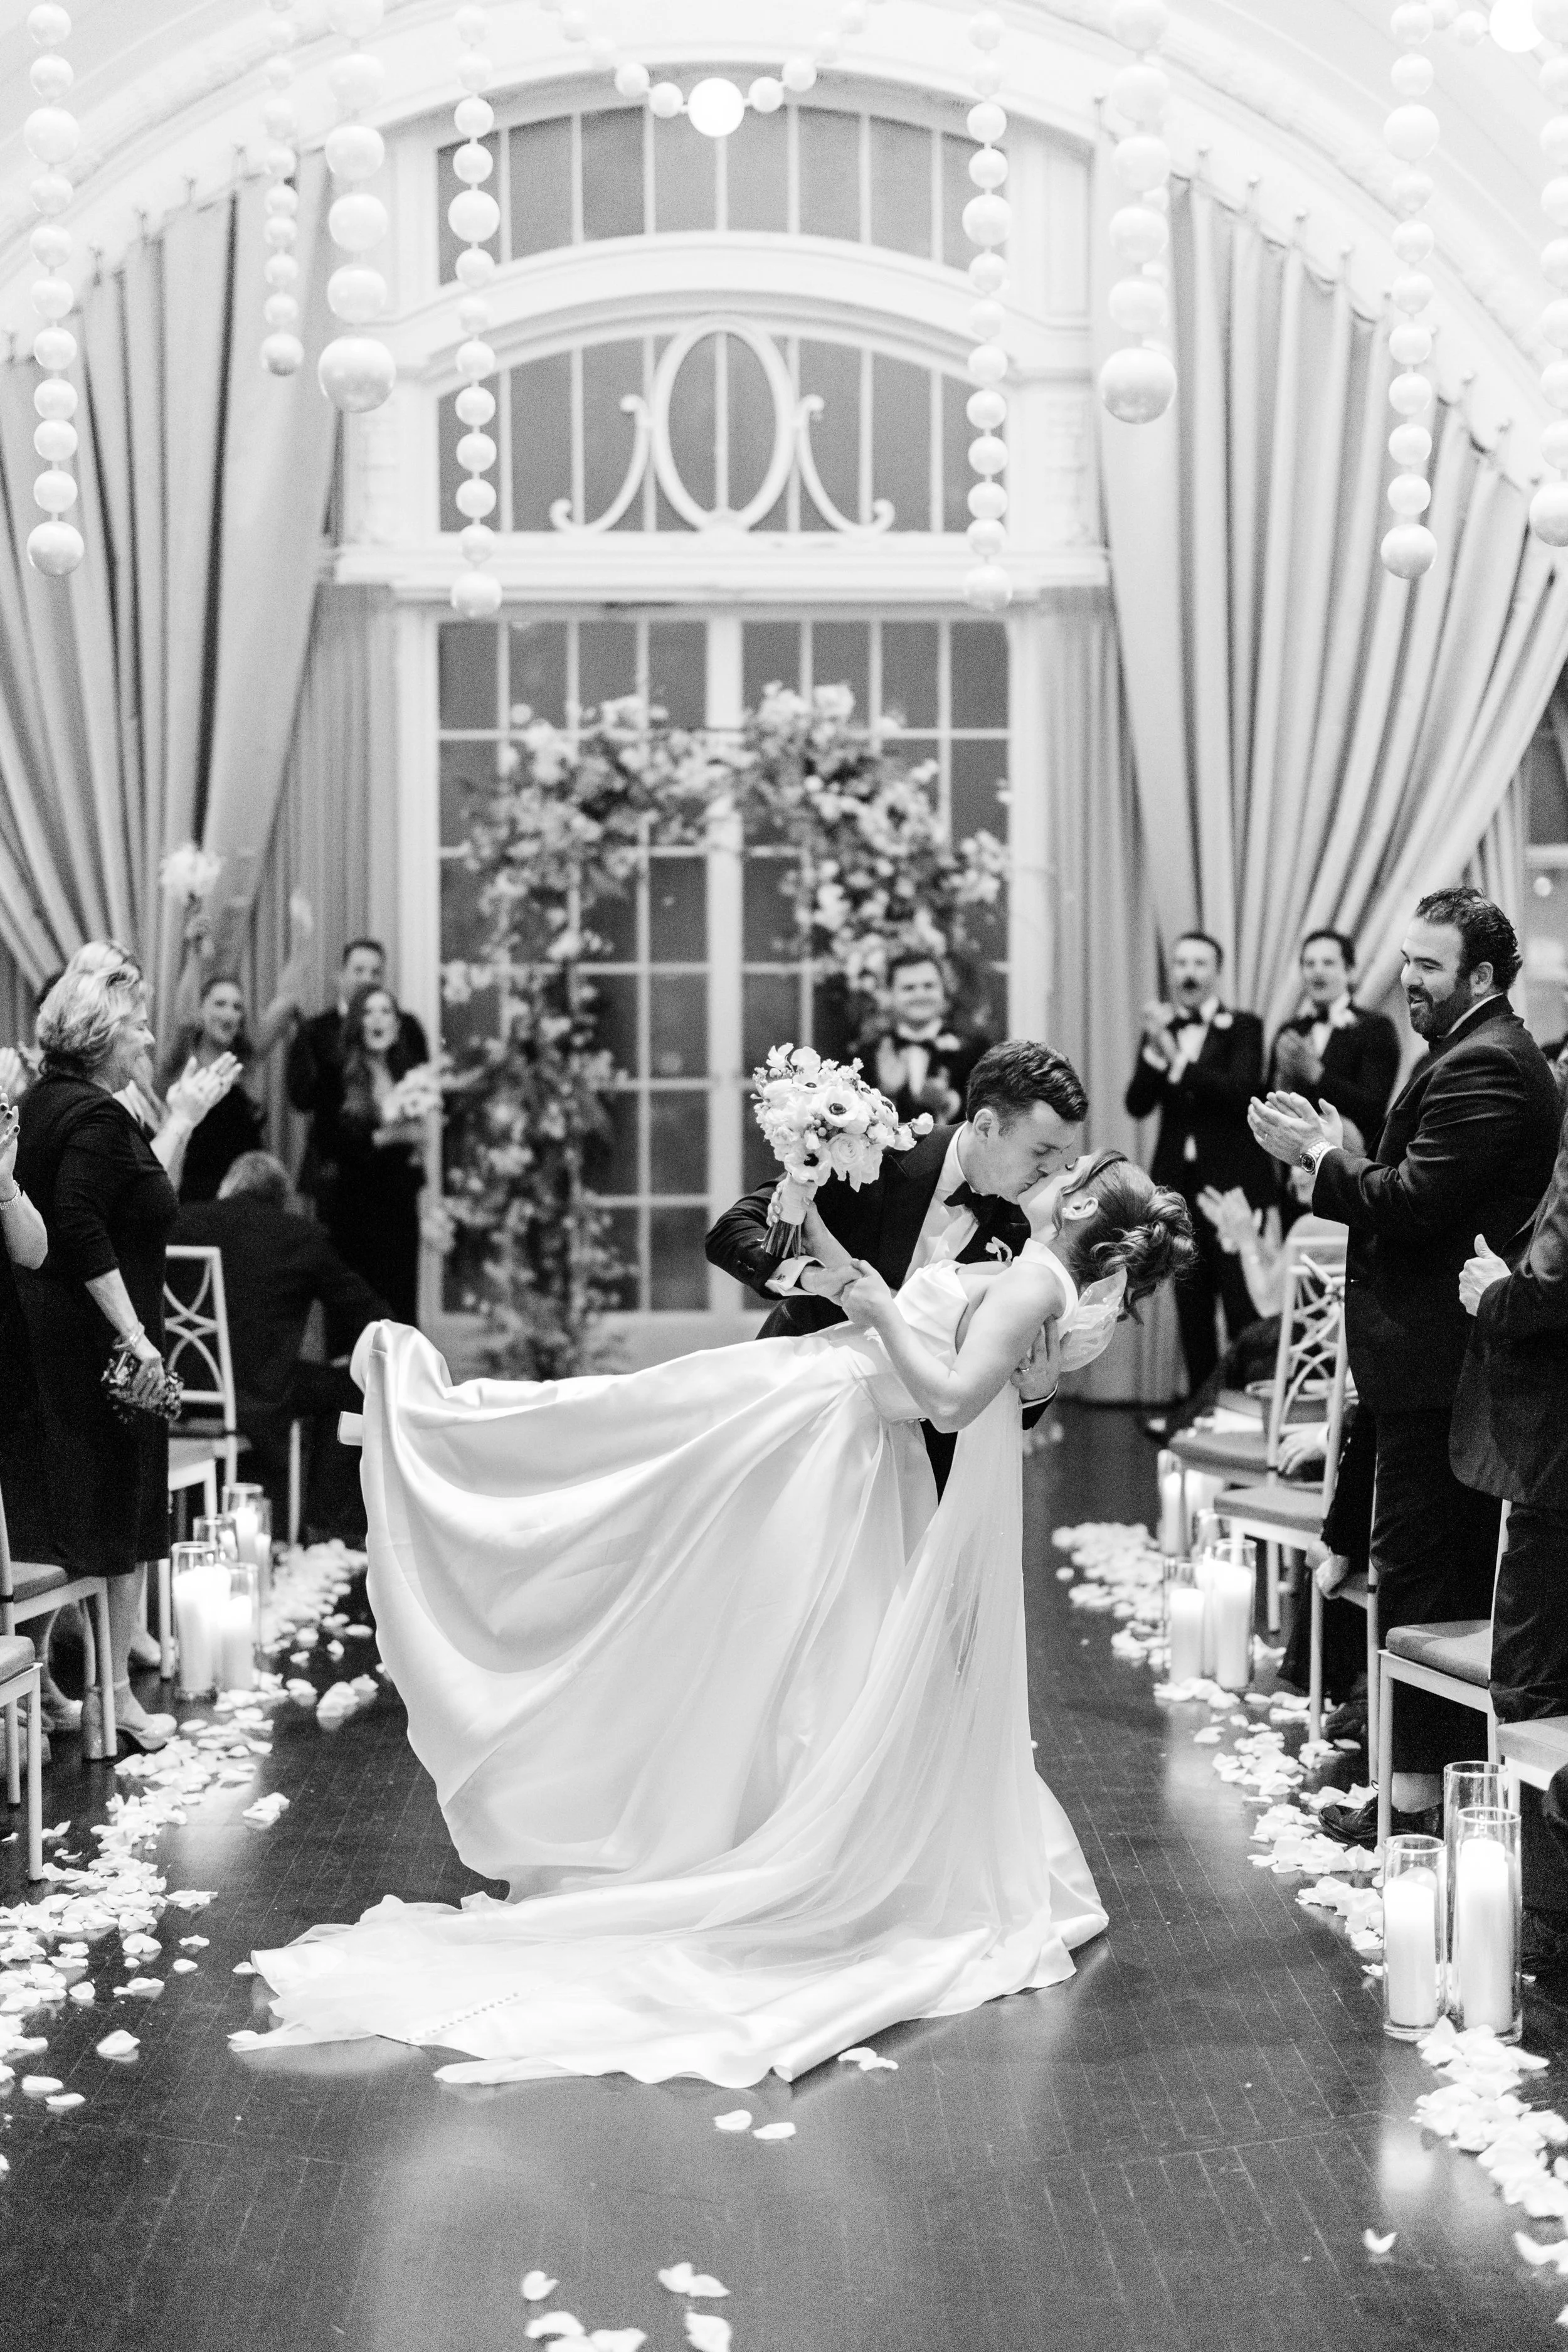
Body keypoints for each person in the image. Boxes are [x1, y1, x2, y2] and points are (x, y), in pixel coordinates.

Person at [247, 1152, 1194, 2084]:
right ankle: (442, 1435)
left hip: (832, 1410)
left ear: (1074, 1206)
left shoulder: (1032, 1281)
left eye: (1065, 1168)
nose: (1051, 1168)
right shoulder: (1027, 1265)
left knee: (635, 1443)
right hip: (823, 1394)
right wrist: (813, 1213)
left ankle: (441, 1433)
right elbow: (896, 1309)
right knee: (641, 1433)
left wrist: (872, 1314)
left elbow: (948, 1399)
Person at [1249, 886, 1561, 1843]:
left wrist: (1319, 1158)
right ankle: (1426, 1798)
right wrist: (1342, 1153)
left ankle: (1422, 1814)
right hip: (1427, 1366)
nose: (1407, 979)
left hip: (1442, 1369)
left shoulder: (1490, 1065)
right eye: (1407, 960)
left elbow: (1420, 1202)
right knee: (1425, 1578)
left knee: (1426, 1582)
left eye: (1425, 965)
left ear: (1478, 975)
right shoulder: (1473, 1052)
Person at [12, 947, 233, 1755]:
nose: (148, 1036)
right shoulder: (98, 1117)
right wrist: (137, 1336)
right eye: (138, 1024)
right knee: (126, 1512)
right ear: (105, 1036)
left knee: (58, 1522)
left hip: (53, 1347)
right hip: (102, 1352)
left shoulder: (46, 1103)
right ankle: (115, 1706)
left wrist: (179, 1118)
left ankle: (51, 1695)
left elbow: (140, 1199)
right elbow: (79, 1226)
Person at [706, 1039, 1090, 1493]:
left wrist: (1039, 1390)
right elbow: (731, 1230)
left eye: (1063, 1156)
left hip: (907, 1460)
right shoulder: (875, 1153)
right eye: (1040, 1152)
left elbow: (984, 1387)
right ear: (986, 1125)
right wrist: (812, 1277)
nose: (1053, 1171)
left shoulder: (1017, 1233)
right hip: (798, 1403)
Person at [173, 1152, 386, 1538]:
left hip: (181, 1390)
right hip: (263, 1392)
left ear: (228, 1188)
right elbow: (370, 1314)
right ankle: (325, 1524)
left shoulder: (183, 1221)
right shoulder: (299, 1235)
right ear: (283, 1199)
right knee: (353, 1389)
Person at [1124, 931, 1269, 1393]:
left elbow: (1240, 1092)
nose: (1188, 972)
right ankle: (1199, 1411)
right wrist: (1154, 1049)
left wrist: (1177, 1057)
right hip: (1177, 1188)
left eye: (1199, 964)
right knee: (1191, 1304)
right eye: (1181, 963)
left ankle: (1247, 1409)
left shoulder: (1243, 1026)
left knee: (1241, 1300)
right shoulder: (1162, 1033)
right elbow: (1137, 1102)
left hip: (1232, 1187)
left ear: (1216, 971)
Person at [156, 894, 314, 1201]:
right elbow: (186, 1007)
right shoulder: (180, 1061)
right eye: (220, 1004)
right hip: (189, 1196)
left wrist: (303, 944)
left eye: (237, 1007)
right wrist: (194, 952)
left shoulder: (248, 1058)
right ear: (200, 1011)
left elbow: (287, 1000)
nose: (230, 1013)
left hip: (245, 1199)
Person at [310, 984, 429, 1326]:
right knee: (360, 1303)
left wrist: (416, 1139)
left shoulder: (406, 1073)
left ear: (397, 1023)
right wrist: (385, 1136)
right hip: (354, 1203)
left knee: (400, 1301)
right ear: (357, 1023)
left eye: (386, 1011)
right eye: (369, 1011)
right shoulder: (337, 1074)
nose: (378, 1020)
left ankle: (399, 1375)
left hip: (400, 1201)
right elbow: (330, 1143)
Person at [286, 940, 428, 1217]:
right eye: (359, 970)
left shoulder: (407, 1027)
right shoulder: (317, 1030)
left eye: (376, 973)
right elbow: (301, 1098)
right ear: (341, 976)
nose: (367, 979)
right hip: (337, 1172)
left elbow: (421, 1086)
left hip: (396, 1172)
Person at [1266, 930, 1401, 1158]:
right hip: (1293, 1157)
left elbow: (1374, 1107)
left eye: (1328, 963)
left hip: (1352, 1158)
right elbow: (1269, 1095)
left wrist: (1316, 1073)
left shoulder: (1375, 1028)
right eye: (1310, 964)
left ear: (1349, 971)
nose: (1317, 971)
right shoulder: (1291, 1030)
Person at [861, 950, 992, 1127]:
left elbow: (990, 1118)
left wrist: (947, 1103)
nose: (920, 995)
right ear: (890, 994)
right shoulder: (869, 1051)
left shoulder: (975, 1049)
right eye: (909, 988)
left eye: (929, 986)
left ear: (944, 991)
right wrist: (886, 1093)